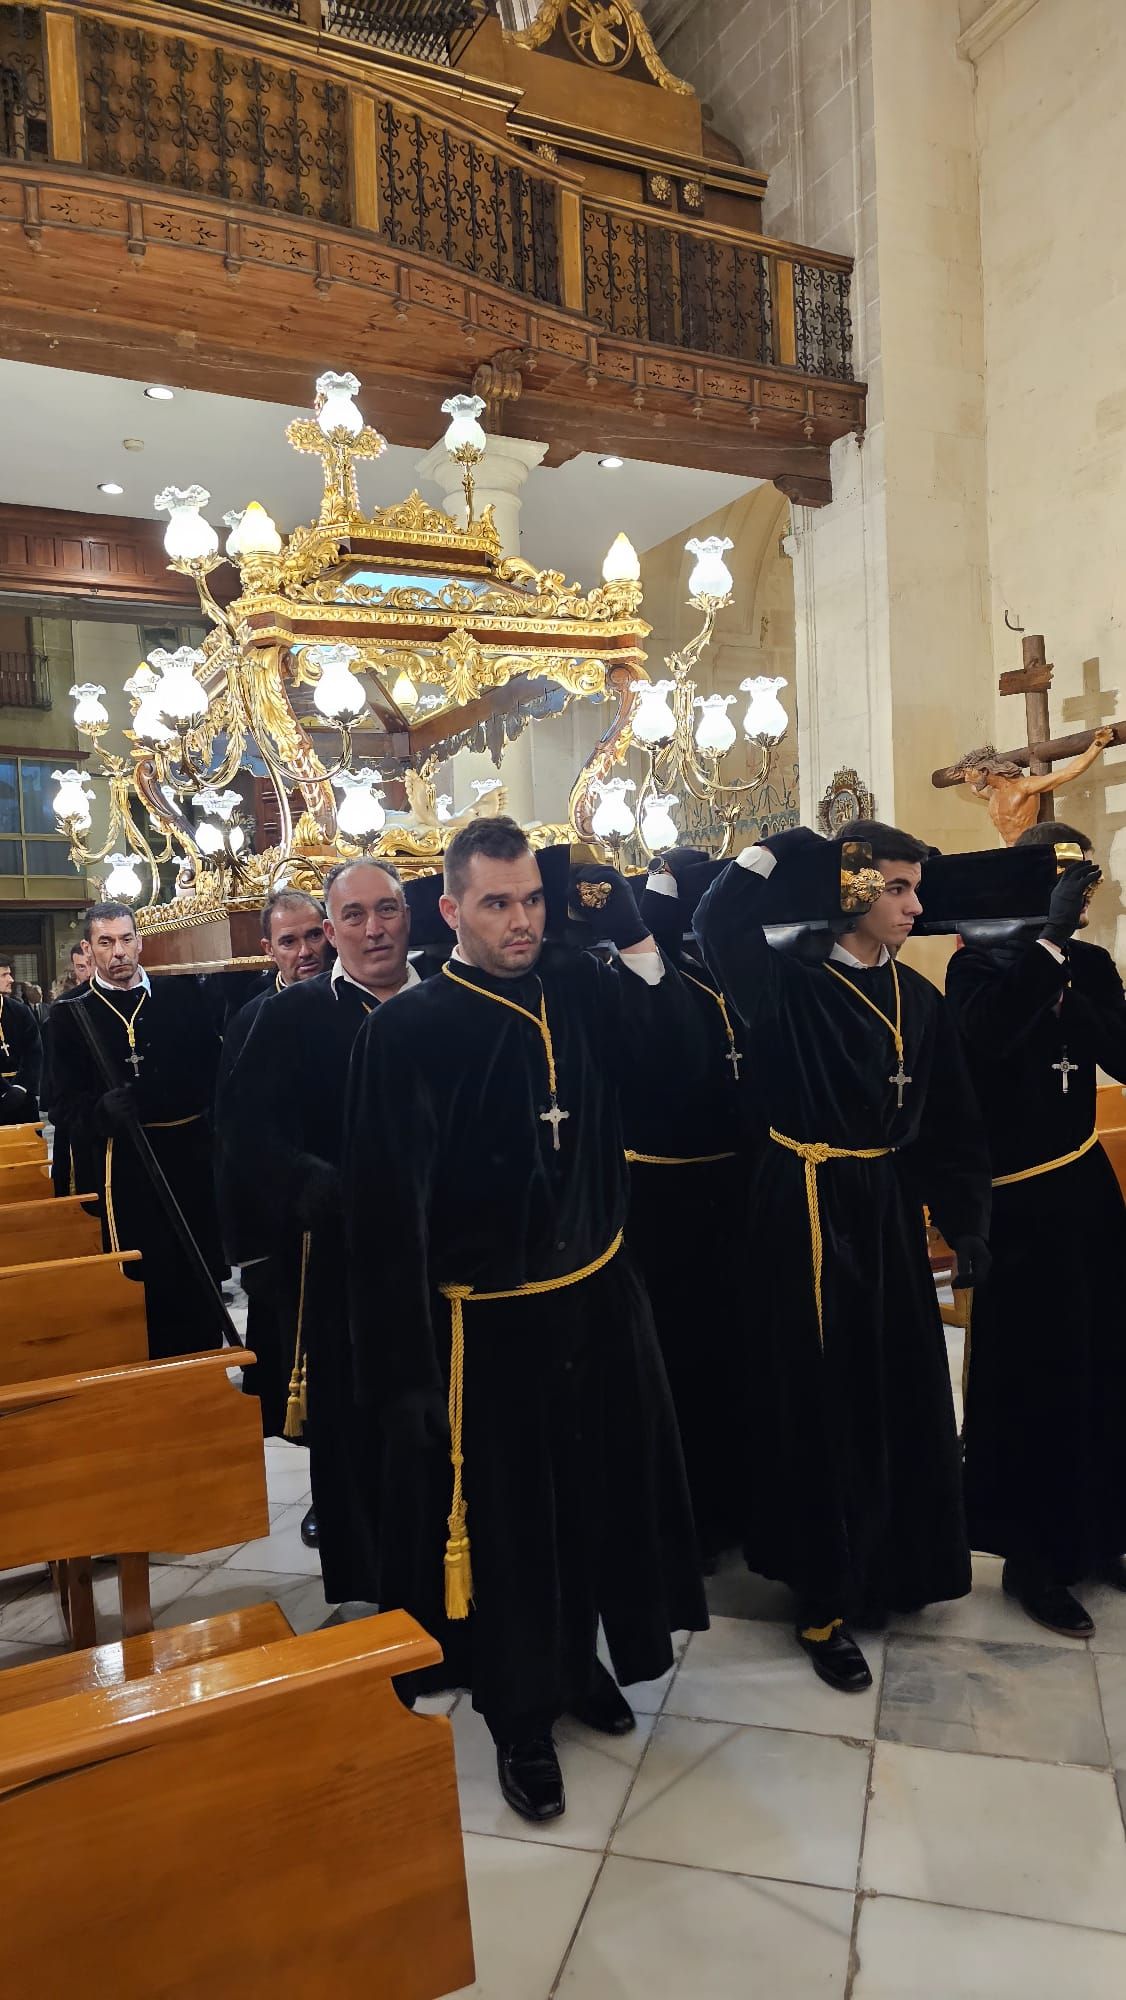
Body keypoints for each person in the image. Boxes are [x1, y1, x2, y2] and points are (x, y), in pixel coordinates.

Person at [344, 818, 706, 1825]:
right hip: (486, 1329)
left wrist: (638, 941)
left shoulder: (581, 987)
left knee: (595, 1498)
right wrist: (405, 1374)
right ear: (451, 910)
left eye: (533, 899)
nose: (520, 920)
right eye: (497, 902)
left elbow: (677, 1070)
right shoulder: (406, 1031)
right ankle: (516, 1707)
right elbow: (384, 1217)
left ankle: (579, 1660)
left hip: (595, 1294)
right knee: (508, 1529)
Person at [693, 821, 991, 1692]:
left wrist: (966, 1218)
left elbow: (950, 1120)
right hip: (806, 1206)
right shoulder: (786, 984)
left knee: (894, 1383)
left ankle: (893, 1564)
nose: (914, 905)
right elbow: (717, 929)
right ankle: (822, 1589)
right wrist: (778, 848)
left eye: (914, 887)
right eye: (897, 887)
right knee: (821, 1396)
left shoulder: (921, 1000)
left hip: (887, 1204)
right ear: (854, 890)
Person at [220, 859, 419, 1605]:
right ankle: (384, 1603)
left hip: (452, 1262)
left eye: (389, 911)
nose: (375, 929)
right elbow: (245, 1134)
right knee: (358, 1437)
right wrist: (309, 1182)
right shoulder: (286, 1019)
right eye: (356, 917)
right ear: (333, 933)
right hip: (341, 1267)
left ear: (412, 916)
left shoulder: (446, 1001)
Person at [948, 822, 1126, 1635]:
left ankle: (1102, 1536)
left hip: (1086, 1186)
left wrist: (1071, 982)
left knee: (1104, 1361)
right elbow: (989, 1037)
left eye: (1081, 889)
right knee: (1033, 1378)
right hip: (1015, 1206)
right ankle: (1033, 1556)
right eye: (1061, 889)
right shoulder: (974, 965)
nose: (1077, 904)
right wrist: (1046, 948)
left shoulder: (1088, 964)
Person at [569, 850, 748, 1563]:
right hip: (658, 1200)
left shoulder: (740, 981)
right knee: (675, 1363)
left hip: (736, 1191)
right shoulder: (630, 983)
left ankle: (736, 1500)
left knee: (737, 1352)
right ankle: (685, 1517)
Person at [45, 902, 225, 1358]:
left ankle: (205, 1379)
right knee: (145, 1278)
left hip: (189, 1160)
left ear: (140, 942)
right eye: (106, 942)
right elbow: (61, 1107)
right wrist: (100, 1111)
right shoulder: (69, 1015)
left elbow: (213, 1074)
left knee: (198, 1271)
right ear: (89, 948)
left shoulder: (182, 995)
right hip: (125, 1165)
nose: (118, 952)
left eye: (126, 940)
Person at [214, 889, 330, 1544]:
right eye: (289, 941)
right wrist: (246, 1248)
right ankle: (327, 1487)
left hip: (359, 1214)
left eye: (313, 935)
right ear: (268, 951)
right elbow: (232, 1141)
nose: (305, 951)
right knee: (304, 1366)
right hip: (289, 1231)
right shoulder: (252, 1021)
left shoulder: (357, 1002)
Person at [947, 729, 1114, 845]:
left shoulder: (1023, 787)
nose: (967, 779)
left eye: (970, 774)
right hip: (1007, 854)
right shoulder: (991, 793)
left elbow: (1069, 772)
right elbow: (974, 789)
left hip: (1029, 851)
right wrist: (963, 770)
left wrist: (1098, 743)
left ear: (984, 771)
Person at [46, 940, 94, 1197]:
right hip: (76, 1112)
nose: (87, 972)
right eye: (81, 967)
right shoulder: (64, 1009)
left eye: (90, 965)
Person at [0, 956, 42, 1128]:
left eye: (9, 974)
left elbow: (34, 1052)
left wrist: (21, 1087)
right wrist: (4, 1091)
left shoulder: (21, 1011)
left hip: (23, 1098)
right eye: (3, 975)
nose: (11, 979)